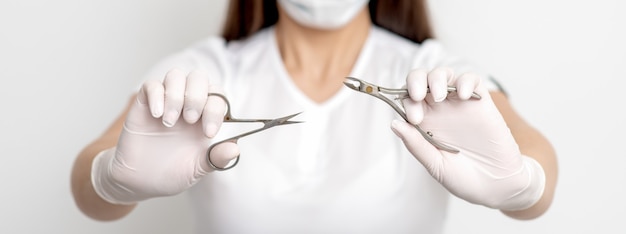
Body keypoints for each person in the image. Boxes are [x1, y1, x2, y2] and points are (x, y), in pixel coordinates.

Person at [71, 0, 558, 233]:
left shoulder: (429, 72)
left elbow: (538, 160)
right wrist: (111, 182)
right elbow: (89, 185)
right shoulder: (208, 72)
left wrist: (525, 186)